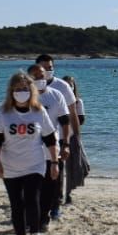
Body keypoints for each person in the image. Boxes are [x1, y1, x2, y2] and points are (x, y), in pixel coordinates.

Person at [0, 70, 60, 235]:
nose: (21, 91)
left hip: (35, 164)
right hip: (10, 165)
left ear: (31, 90)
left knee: (32, 199)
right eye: (17, 88)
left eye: (24, 88)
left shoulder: (39, 111)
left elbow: (50, 139)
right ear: (11, 91)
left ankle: (36, 234)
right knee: (16, 204)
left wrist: (54, 162)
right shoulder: (4, 112)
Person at [29, 63, 73, 222]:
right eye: (35, 77)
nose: (40, 79)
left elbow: (65, 121)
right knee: (32, 189)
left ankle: (46, 217)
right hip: (29, 152)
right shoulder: (23, 97)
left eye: (42, 76)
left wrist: (66, 144)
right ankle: (33, 218)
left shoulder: (56, 95)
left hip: (51, 150)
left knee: (50, 187)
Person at [62, 74, 90, 203]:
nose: (68, 87)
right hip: (59, 136)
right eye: (66, 84)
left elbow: (81, 120)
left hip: (73, 136)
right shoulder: (58, 101)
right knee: (61, 167)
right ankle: (62, 194)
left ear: (74, 87)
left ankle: (68, 192)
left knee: (80, 165)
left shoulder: (78, 102)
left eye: (71, 85)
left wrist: (72, 115)